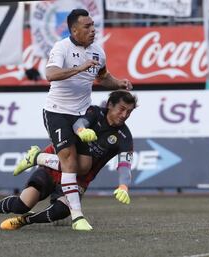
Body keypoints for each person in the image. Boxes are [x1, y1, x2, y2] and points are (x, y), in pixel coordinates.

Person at [13, 9, 132, 231]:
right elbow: (50, 75)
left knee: (83, 165)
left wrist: (119, 84)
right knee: (68, 161)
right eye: (87, 27)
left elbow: (103, 77)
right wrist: (79, 68)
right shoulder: (62, 47)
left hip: (81, 114)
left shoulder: (98, 52)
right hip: (57, 111)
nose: (92, 30)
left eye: (93, 25)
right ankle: (77, 217)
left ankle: (37, 157)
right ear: (74, 30)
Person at [1, 90, 137, 231]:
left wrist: (123, 186)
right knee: (22, 205)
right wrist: (81, 130)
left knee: (60, 211)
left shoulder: (125, 137)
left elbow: (125, 166)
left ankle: (25, 220)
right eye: (122, 109)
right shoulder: (95, 112)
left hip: (80, 179)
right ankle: (38, 159)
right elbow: (79, 123)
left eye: (129, 112)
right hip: (56, 165)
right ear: (110, 105)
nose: (124, 115)